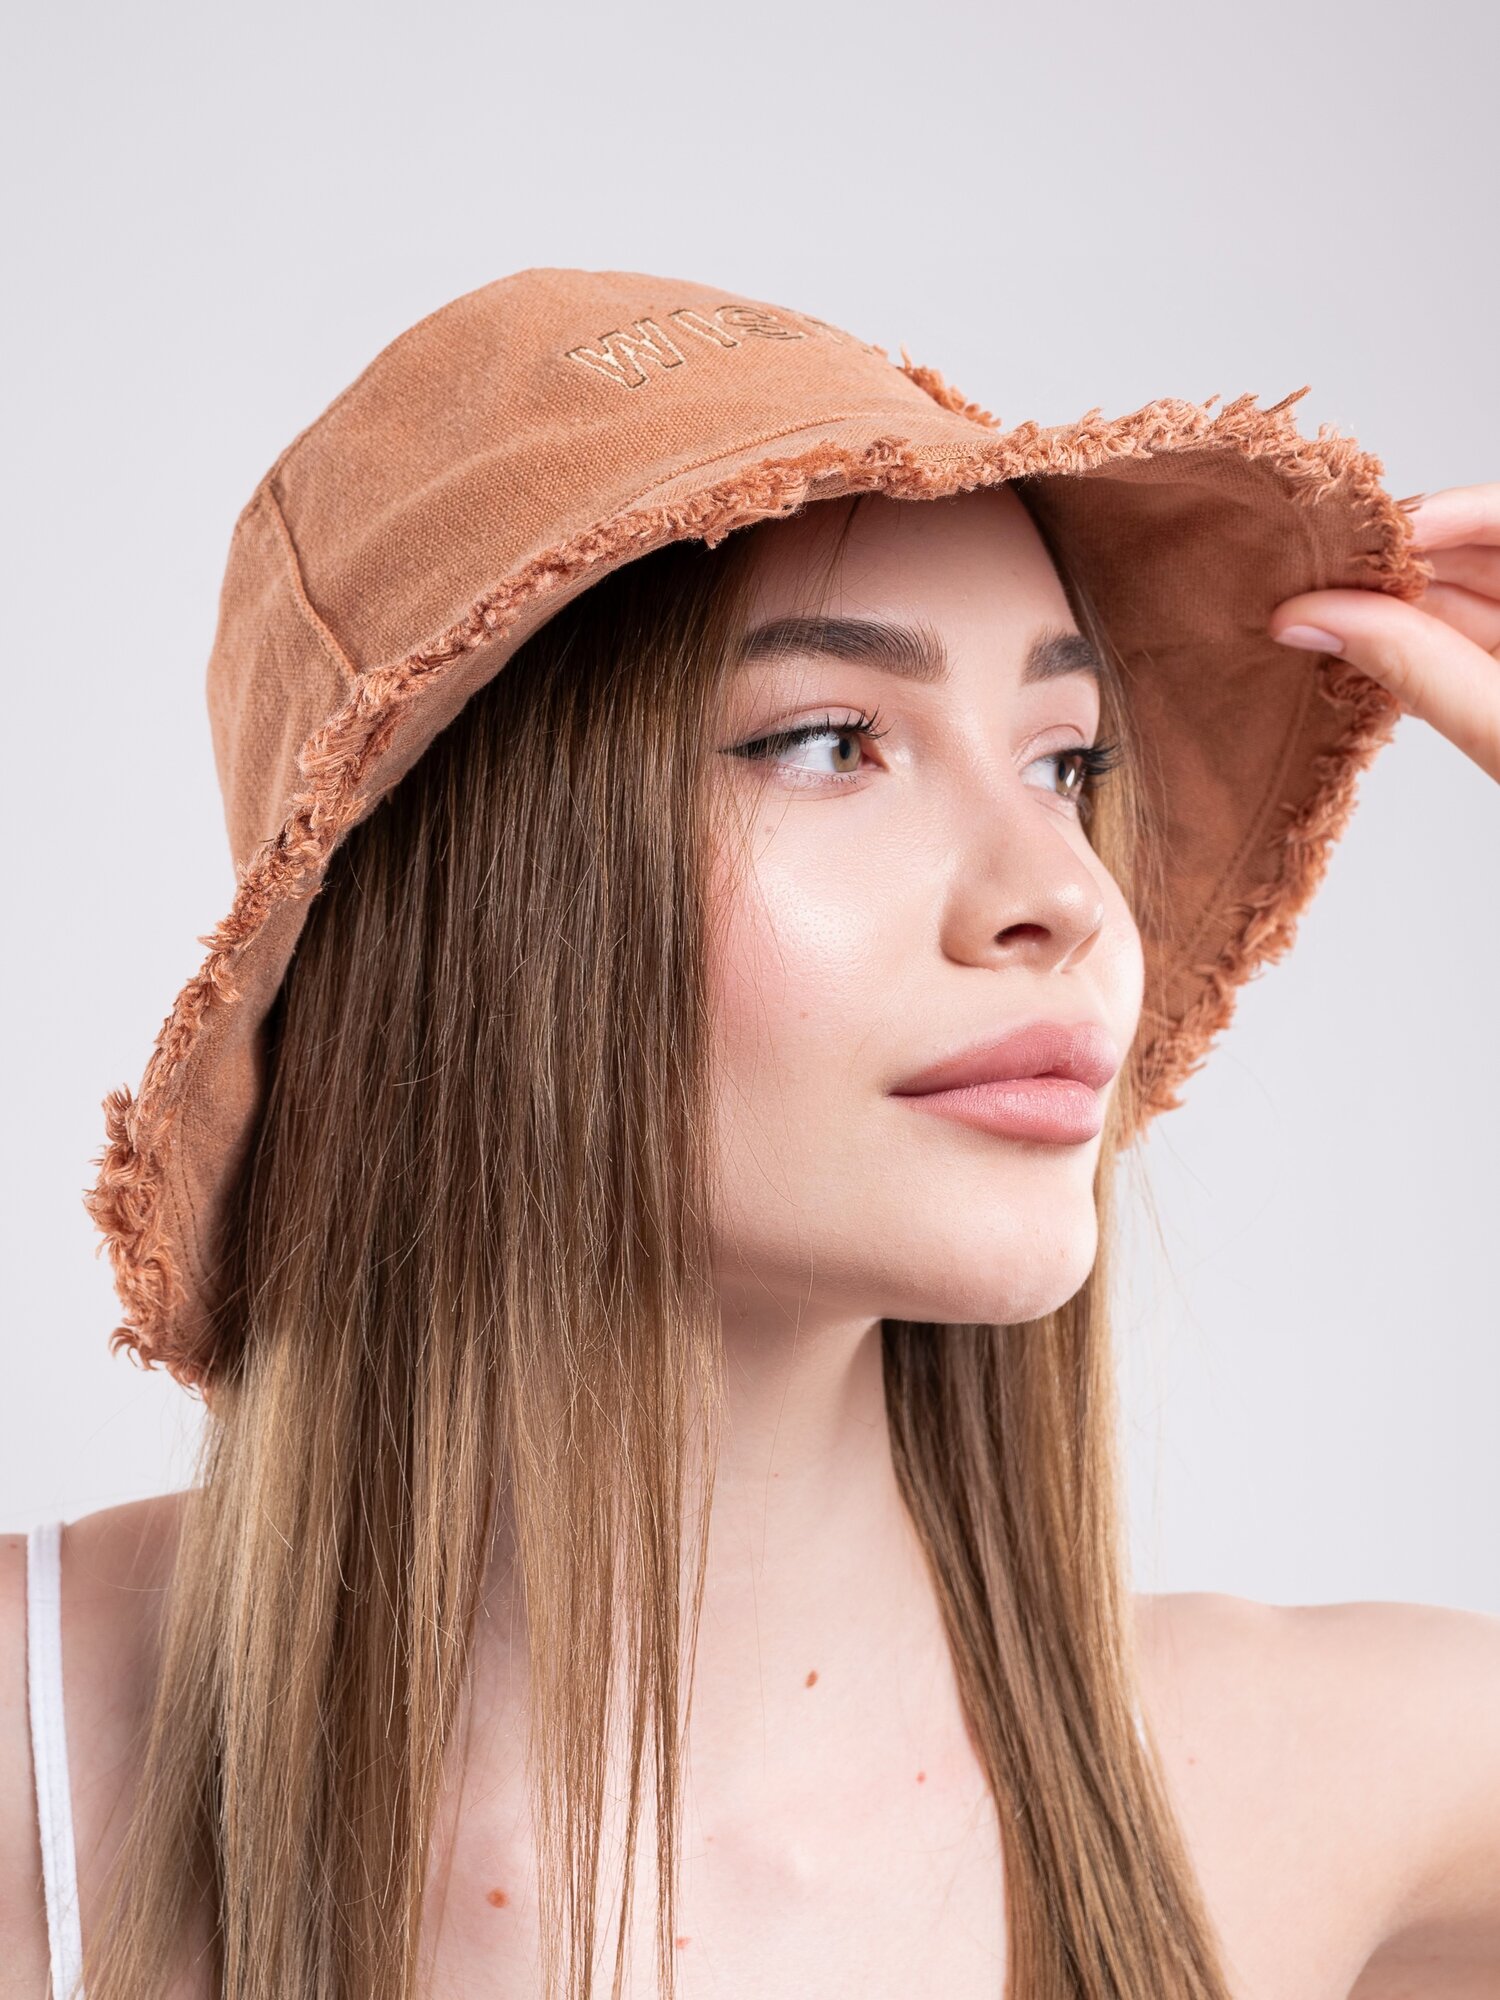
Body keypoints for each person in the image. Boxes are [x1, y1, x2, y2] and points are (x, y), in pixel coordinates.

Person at [2, 269, 1497, 2000]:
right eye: (831, 742)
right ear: (471, 906)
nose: (1065, 897)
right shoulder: (38, 1760)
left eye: (1066, 762)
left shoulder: (1345, 1795)